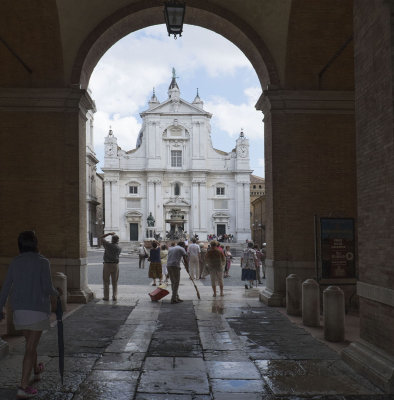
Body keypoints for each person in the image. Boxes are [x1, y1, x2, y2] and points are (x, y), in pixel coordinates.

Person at [0, 231, 62, 399]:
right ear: (35, 243)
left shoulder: (15, 262)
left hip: (19, 311)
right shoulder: (43, 262)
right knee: (30, 348)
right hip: (37, 310)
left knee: (30, 343)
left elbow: (6, 286)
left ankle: (36, 369)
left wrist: (0, 307)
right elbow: (48, 287)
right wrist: (58, 292)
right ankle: (23, 386)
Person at [100, 232, 122, 301]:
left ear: (112, 240)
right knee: (115, 281)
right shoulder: (119, 248)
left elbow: (101, 237)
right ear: (117, 240)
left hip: (107, 264)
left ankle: (106, 297)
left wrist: (109, 234)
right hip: (115, 265)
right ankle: (114, 296)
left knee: (106, 281)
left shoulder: (107, 245)